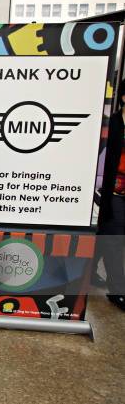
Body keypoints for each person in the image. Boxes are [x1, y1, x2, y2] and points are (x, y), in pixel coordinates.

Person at [97, 79, 125, 311]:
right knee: (114, 237)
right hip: (114, 191)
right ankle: (118, 291)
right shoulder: (112, 125)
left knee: (106, 237)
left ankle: (90, 272)